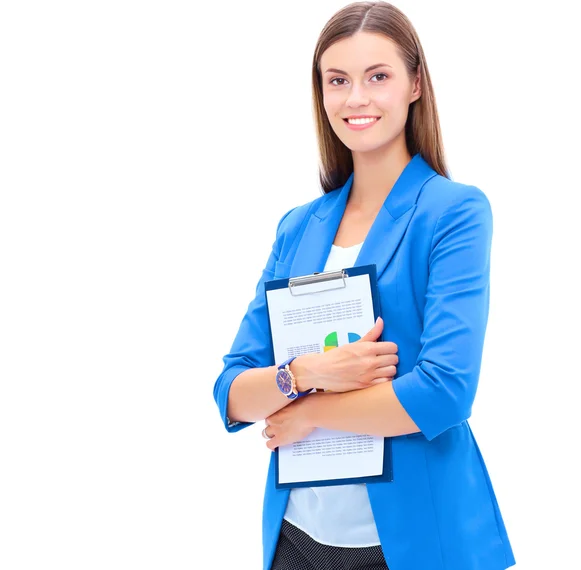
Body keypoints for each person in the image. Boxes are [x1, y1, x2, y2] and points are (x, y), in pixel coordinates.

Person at [213, 2, 516, 569]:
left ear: (415, 83)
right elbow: (231, 392)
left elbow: (446, 392)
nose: (356, 98)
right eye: (338, 80)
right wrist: (308, 373)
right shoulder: (298, 226)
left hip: (415, 537)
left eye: (378, 76)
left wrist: (309, 411)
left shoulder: (454, 212)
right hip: (297, 538)